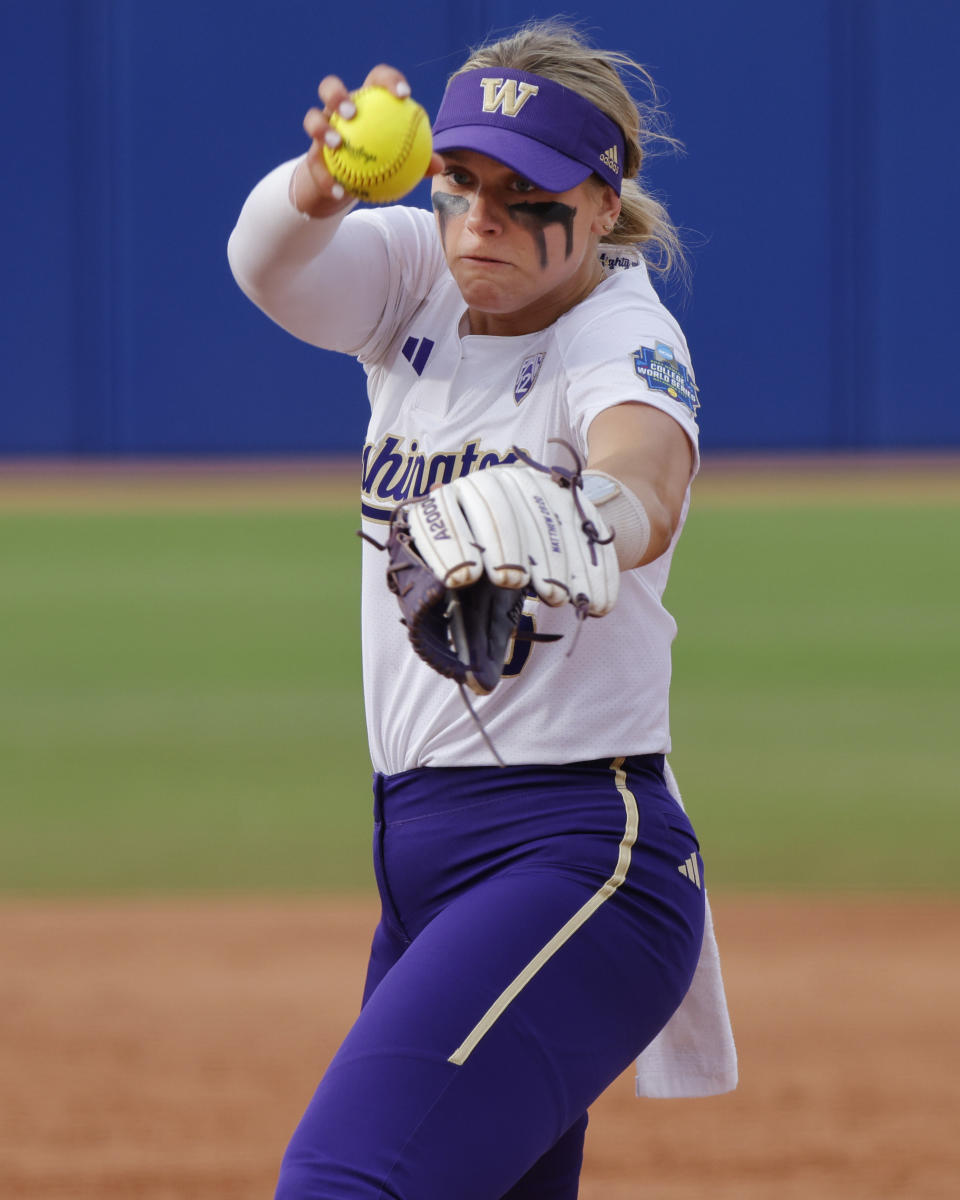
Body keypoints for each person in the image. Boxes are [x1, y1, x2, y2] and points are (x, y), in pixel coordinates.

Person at [228, 19, 737, 1200]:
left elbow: (648, 472)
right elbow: (269, 266)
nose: (482, 219)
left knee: (346, 1181)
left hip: (572, 857)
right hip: (419, 860)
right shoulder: (418, 275)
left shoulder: (622, 332)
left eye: (527, 192)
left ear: (604, 204)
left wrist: (582, 516)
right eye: (461, 181)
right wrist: (319, 181)